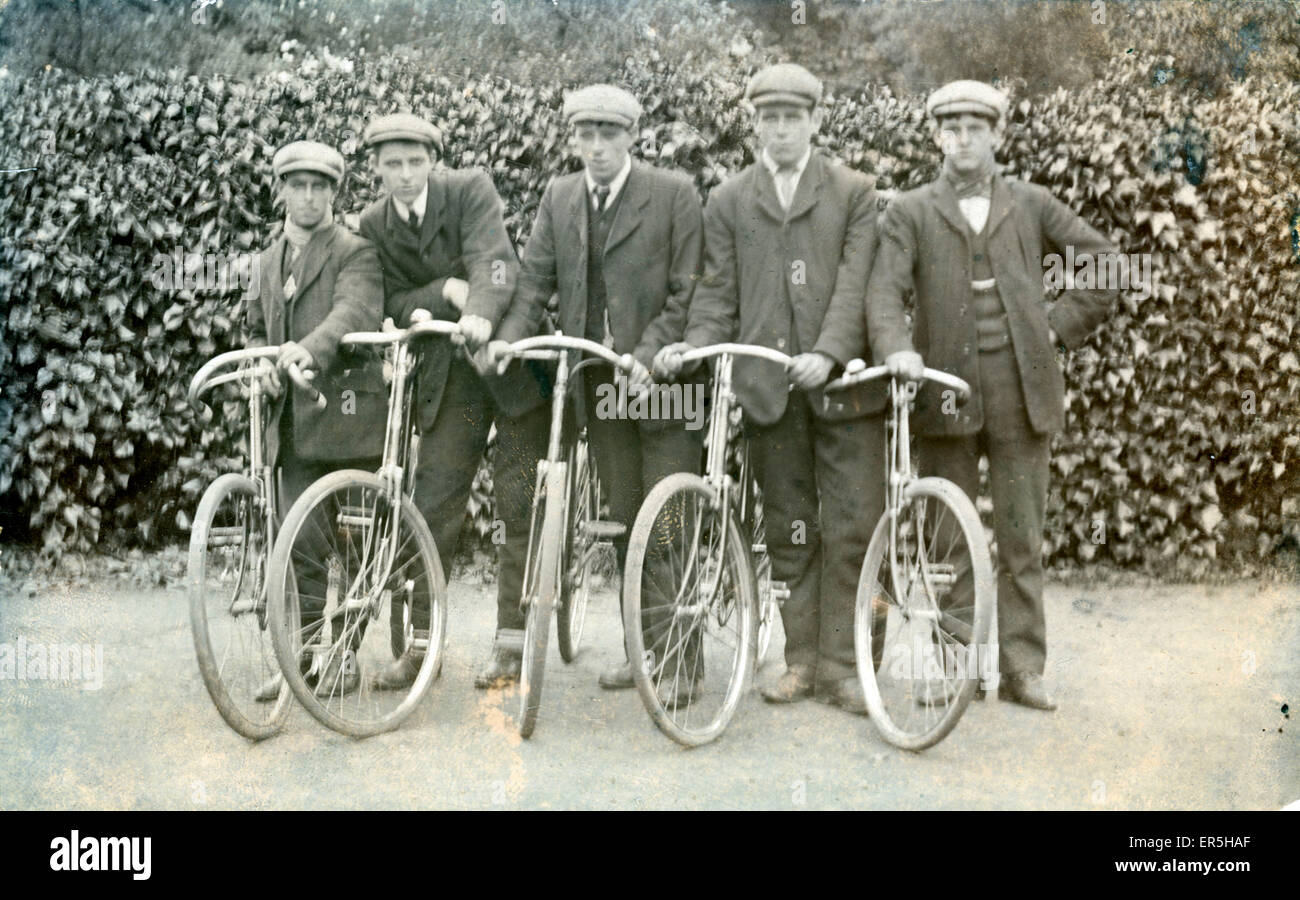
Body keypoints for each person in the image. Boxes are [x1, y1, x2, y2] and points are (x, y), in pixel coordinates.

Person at [867, 80, 1119, 711]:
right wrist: (898, 349)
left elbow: (1106, 264)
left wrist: (1054, 329)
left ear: (997, 135)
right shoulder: (912, 210)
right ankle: (957, 668)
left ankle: (1022, 668)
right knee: (950, 538)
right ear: (935, 137)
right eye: (950, 128)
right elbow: (882, 294)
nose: (963, 139)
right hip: (945, 393)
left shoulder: (1030, 204)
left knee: (1021, 536)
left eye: (975, 128)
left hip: (1022, 392)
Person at [656, 63, 886, 715]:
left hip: (844, 388)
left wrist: (830, 353)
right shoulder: (729, 199)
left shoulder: (854, 191)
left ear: (814, 122)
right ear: (754, 125)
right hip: (767, 391)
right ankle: (802, 660)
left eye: (793, 117)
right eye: (768, 118)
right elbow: (717, 291)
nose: (780, 130)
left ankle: (847, 665)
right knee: (788, 529)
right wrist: (695, 346)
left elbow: (855, 284)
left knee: (851, 526)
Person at [485, 85, 705, 701]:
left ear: (632, 136)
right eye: (587, 135)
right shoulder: (560, 197)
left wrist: (646, 353)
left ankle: (682, 662)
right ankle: (645, 650)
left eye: (610, 134)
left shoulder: (673, 194)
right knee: (628, 519)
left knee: (667, 519)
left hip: (663, 385)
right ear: (575, 139)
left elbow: (691, 292)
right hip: (598, 384)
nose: (598, 148)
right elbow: (533, 282)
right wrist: (508, 339)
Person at [357, 113, 549, 691]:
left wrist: (480, 317)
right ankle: (418, 648)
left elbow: (495, 263)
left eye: (416, 162)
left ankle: (512, 648)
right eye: (393, 164)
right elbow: (385, 298)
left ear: (432, 161)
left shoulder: (470, 189)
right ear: (377, 169)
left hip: (511, 372)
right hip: (451, 381)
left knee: (517, 507)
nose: (406, 174)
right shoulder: (372, 224)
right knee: (431, 505)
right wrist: (443, 293)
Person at [246, 140, 386, 699]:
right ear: (281, 190)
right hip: (294, 426)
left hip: (347, 418)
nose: (308, 197)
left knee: (353, 544)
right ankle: (298, 657)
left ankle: (345, 652)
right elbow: (256, 327)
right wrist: (263, 365)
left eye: (319, 187)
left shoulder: (356, 251)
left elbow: (353, 310)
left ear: (333, 193)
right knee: (300, 542)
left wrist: (306, 350)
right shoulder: (265, 260)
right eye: (297, 185)